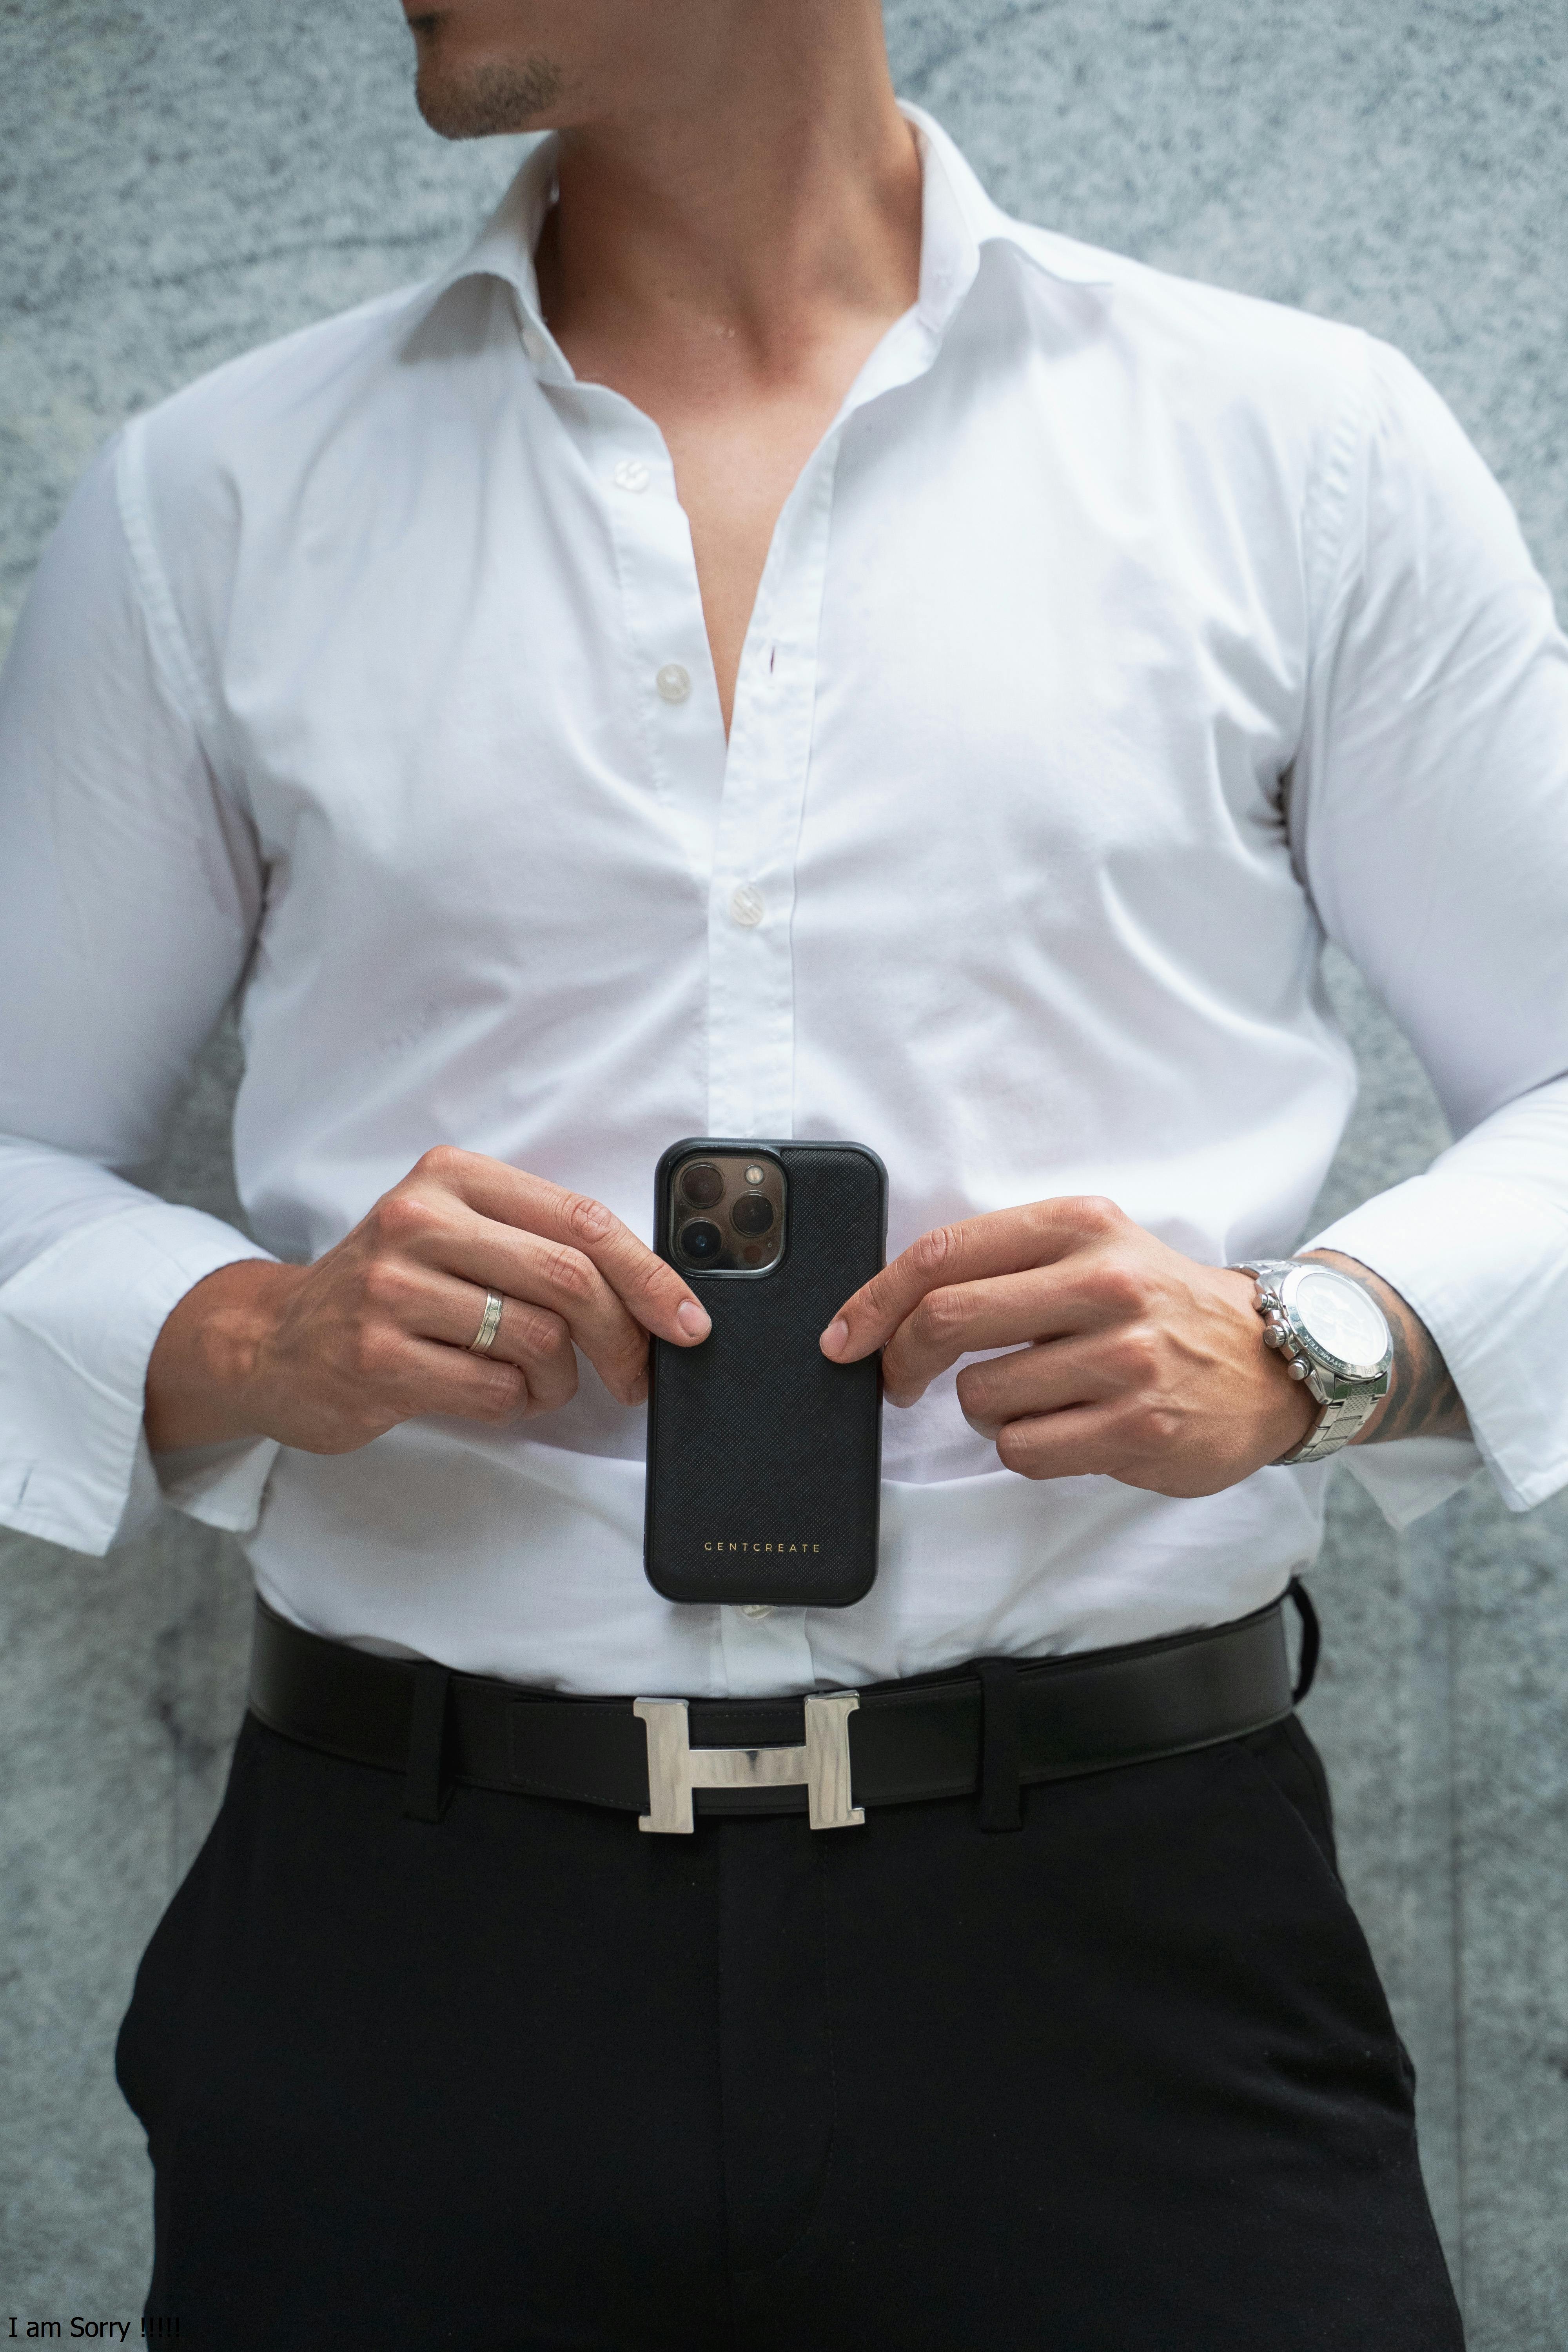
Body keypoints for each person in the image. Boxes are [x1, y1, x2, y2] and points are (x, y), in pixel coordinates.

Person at [2, 0, 1564, 2341]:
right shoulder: (211, 499)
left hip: (1120, 1964)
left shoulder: (1292, 451)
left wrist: (1312, 1347)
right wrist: (255, 1334)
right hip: (406, 1965)